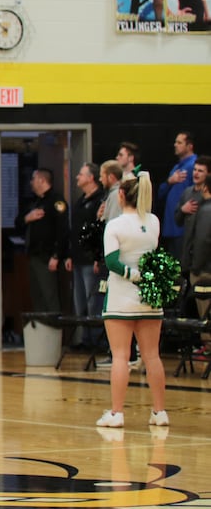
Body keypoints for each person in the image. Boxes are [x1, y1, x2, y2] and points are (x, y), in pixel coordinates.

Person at [96, 171, 168, 428]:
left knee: (120, 356)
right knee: (152, 356)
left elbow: (112, 261)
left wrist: (132, 274)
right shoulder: (154, 222)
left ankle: (117, 413)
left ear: (121, 194)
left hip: (122, 298)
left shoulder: (114, 225)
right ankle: (160, 412)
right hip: (150, 297)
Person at [15, 168, 69, 316]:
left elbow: (63, 230)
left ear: (42, 180)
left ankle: (54, 333)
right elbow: (17, 222)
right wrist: (28, 218)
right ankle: (41, 333)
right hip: (33, 254)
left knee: (49, 296)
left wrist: (57, 255)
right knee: (37, 296)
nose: (31, 183)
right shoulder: (34, 202)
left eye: (33, 179)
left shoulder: (56, 201)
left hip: (47, 256)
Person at [67, 163, 107, 350]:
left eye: (81, 174)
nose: (77, 177)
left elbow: (99, 231)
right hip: (77, 258)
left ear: (91, 177)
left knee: (94, 302)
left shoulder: (100, 199)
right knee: (80, 302)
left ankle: (97, 340)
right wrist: (69, 254)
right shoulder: (81, 200)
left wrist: (98, 257)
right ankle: (84, 339)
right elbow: (74, 231)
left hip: (91, 259)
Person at [179, 157, 211, 339]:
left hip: (204, 270)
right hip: (200, 265)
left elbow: (203, 241)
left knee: (205, 314)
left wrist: (196, 267)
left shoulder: (206, 210)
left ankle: (207, 349)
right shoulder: (188, 194)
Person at [156, 131, 197, 257]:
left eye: (179, 142)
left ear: (189, 146)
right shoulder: (176, 168)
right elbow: (160, 193)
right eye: (175, 142)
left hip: (183, 228)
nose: (175, 145)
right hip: (171, 226)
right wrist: (170, 181)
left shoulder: (194, 166)